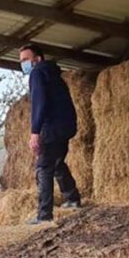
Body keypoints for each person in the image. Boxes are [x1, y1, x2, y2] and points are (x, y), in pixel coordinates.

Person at [20, 43, 82, 223]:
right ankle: (72, 198)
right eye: (21, 61)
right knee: (57, 163)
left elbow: (39, 103)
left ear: (37, 59)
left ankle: (44, 215)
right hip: (66, 126)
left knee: (43, 168)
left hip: (52, 127)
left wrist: (35, 132)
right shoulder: (55, 75)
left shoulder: (37, 73)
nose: (23, 63)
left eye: (25, 59)